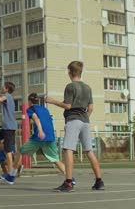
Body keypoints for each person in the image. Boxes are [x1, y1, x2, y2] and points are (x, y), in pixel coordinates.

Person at [46, 61, 104, 192]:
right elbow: (91, 108)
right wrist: (85, 118)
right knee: (89, 151)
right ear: (80, 72)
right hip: (85, 120)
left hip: (73, 119)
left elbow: (68, 106)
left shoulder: (70, 87)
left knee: (68, 149)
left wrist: (52, 101)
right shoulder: (87, 88)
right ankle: (99, 181)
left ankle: (68, 182)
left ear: (70, 72)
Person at [3, 93, 72, 185]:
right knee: (55, 159)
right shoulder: (45, 109)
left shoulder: (30, 109)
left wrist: (40, 131)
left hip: (38, 137)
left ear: (30, 101)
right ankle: (70, 178)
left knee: (20, 152)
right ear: (37, 100)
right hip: (50, 136)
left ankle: (11, 177)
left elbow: (36, 119)